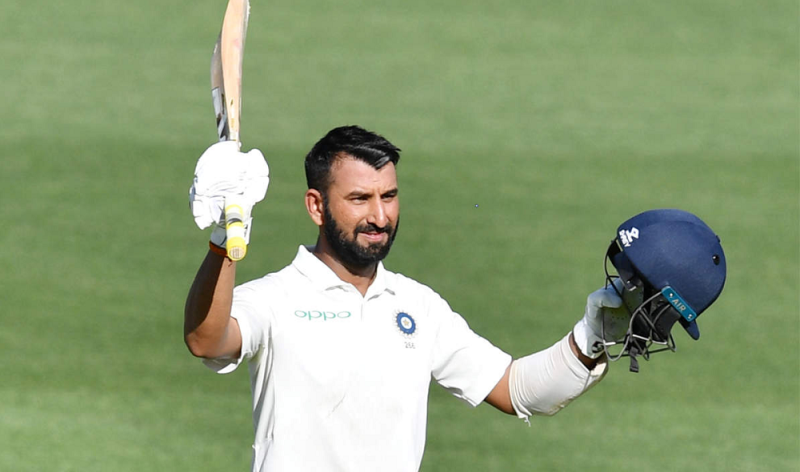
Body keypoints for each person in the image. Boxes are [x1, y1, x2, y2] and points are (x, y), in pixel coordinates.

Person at [183, 126, 680, 472]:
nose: (380, 216)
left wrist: (592, 337)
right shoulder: (276, 297)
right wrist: (225, 239)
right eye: (359, 199)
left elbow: (518, 391)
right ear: (316, 206)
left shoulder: (417, 307)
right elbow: (207, 340)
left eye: (389, 196)